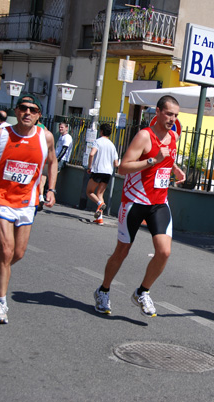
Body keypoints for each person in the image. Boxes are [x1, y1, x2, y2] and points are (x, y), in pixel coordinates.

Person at [93, 95, 185, 317]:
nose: (172, 119)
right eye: (169, 113)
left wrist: (175, 169)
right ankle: (103, 290)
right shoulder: (145, 136)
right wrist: (152, 160)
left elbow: (166, 160)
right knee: (122, 251)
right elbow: (123, 167)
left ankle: (142, 292)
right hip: (135, 201)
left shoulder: (173, 137)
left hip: (159, 202)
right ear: (158, 111)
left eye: (175, 115)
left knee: (164, 251)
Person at [0, 93, 57, 324]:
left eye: (32, 110)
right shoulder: (2, 134)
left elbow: (52, 162)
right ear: (16, 111)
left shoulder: (46, 137)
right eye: (23, 108)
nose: (27, 113)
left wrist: (51, 189)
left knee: (18, 253)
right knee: (7, 251)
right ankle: (1, 305)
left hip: (28, 200)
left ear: (39, 115)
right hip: (0, 197)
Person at [86, 123, 119, 225]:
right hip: (108, 172)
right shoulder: (112, 145)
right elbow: (116, 163)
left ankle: (100, 204)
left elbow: (92, 154)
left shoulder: (98, 141)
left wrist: (89, 167)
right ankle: (100, 218)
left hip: (98, 170)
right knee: (100, 194)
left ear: (101, 131)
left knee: (89, 191)